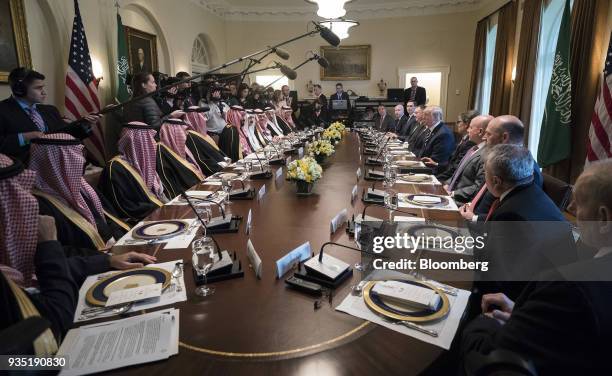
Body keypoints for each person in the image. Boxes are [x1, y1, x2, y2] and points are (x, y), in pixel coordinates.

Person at [460, 159, 612, 376]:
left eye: (579, 202)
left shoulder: (568, 288)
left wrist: (482, 323)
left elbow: (491, 352)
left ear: (604, 219)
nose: (570, 208)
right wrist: (528, 315)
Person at [28, 134, 128, 253]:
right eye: (73, 156)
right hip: (93, 264)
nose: (83, 160)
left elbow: (106, 220)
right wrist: (107, 258)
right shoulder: (37, 204)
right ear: (53, 163)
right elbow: (60, 253)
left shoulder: (82, 188)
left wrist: (122, 242)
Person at [0, 68, 100, 162]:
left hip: (61, 164)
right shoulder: (3, 110)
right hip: (26, 169)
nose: (44, 92)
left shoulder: (50, 110)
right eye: (38, 88)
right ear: (19, 90)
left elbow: (64, 135)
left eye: (43, 87)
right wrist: (23, 138)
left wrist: (85, 124)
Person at [459, 115, 543, 222]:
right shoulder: (498, 159)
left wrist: (474, 218)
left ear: (504, 137)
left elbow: (515, 214)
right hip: (471, 213)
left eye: (488, 134)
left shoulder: (527, 169)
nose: (484, 137)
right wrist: (471, 205)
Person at [98, 122, 167, 222]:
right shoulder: (115, 168)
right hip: (134, 221)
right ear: (139, 143)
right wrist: (160, 208)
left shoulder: (143, 164)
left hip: (154, 212)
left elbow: (157, 192)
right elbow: (125, 206)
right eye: (148, 141)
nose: (153, 143)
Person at [437, 115, 491, 204]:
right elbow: (457, 173)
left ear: (480, 131)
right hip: (450, 192)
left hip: (461, 201)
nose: (467, 130)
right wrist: (447, 184)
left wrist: (453, 193)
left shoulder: (487, 155)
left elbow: (478, 186)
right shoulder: (473, 148)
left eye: (470, 127)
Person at [157, 119, 205, 198]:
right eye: (184, 130)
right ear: (175, 133)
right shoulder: (161, 152)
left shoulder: (181, 147)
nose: (187, 133)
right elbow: (171, 186)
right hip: (186, 196)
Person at [426, 110, 480, 176]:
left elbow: (456, 169)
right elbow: (452, 163)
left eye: (459, 122)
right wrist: (436, 164)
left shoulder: (469, 143)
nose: (457, 124)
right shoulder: (464, 139)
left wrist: (438, 178)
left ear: (466, 124)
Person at [417, 106, 455, 172]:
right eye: (423, 114)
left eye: (426, 115)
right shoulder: (430, 130)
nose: (423, 117)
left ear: (435, 118)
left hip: (434, 171)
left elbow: (435, 162)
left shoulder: (443, 134)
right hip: (423, 165)